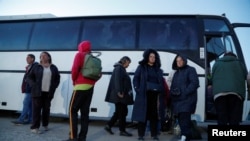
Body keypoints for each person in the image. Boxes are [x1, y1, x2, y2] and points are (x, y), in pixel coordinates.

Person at [67, 41, 101, 141]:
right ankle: (82, 138)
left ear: (80, 47)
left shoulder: (79, 55)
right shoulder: (92, 58)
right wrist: (92, 82)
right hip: (90, 88)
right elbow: (99, 74)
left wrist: (74, 80)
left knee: (72, 111)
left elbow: (75, 69)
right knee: (85, 113)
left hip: (80, 87)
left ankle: (73, 137)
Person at [132, 48, 165, 141]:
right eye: (151, 56)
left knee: (154, 116)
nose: (152, 58)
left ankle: (154, 135)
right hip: (144, 95)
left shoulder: (158, 69)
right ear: (147, 57)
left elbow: (161, 82)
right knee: (143, 115)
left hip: (155, 96)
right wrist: (137, 89)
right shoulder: (141, 67)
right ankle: (141, 135)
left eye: (154, 57)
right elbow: (135, 79)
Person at [27, 51, 60, 134]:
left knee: (46, 109)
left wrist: (54, 86)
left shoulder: (53, 67)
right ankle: (35, 127)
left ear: (49, 57)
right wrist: (33, 85)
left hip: (48, 93)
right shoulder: (36, 67)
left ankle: (45, 124)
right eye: (41, 56)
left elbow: (57, 78)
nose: (43, 57)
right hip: (37, 92)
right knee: (36, 110)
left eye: (45, 55)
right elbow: (29, 77)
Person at [211, 52, 247, 125]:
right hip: (236, 93)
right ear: (234, 57)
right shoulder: (239, 64)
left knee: (221, 117)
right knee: (234, 118)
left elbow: (212, 77)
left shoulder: (217, 63)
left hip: (219, 94)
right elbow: (245, 76)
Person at [170, 54, 199, 141]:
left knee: (184, 118)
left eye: (180, 60)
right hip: (177, 100)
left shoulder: (191, 70)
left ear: (184, 61)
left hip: (187, 99)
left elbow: (194, 83)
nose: (178, 62)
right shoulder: (176, 73)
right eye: (177, 61)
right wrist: (173, 93)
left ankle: (185, 137)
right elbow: (173, 86)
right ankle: (185, 136)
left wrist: (185, 92)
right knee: (181, 119)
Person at [104, 56, 134, 137]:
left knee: (119, 112)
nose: (128, 65)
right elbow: (117, 81)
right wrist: (119, 92)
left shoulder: (121, 69)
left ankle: (109, 126)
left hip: (122, 94)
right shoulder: (119, 68)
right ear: (125, 61)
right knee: (122, 112)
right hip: (120, 95)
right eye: (128, 63)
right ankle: (122, 130)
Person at [12, 54, 38, 125]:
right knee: (29, 105)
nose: (26, 59)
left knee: (25, 103)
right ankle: (30, 120)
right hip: (29, 88)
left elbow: (34, 77)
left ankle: (21, 119)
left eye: (28, 58)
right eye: (26, 58)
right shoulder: (29, 67)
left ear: (32, 59)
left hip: (30, 89)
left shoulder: (35, 66)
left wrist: (31, 84)